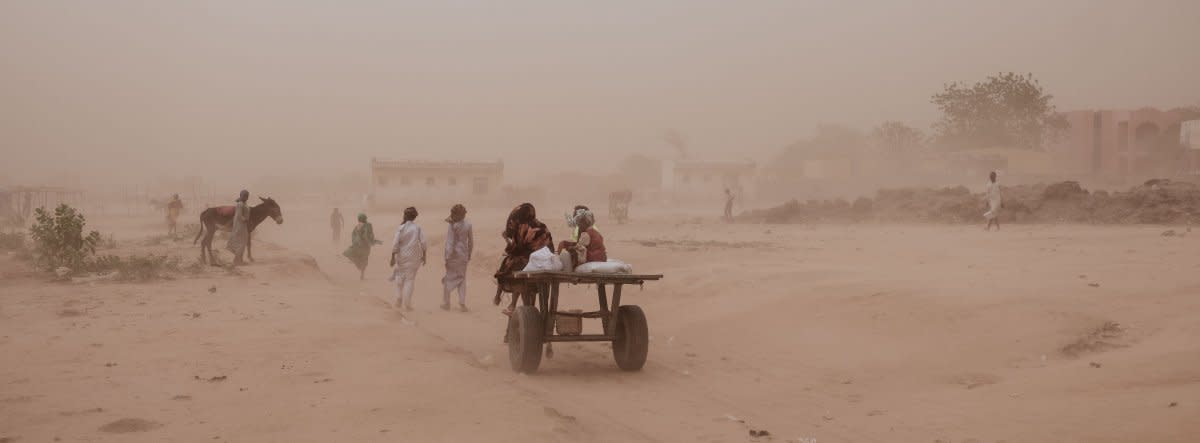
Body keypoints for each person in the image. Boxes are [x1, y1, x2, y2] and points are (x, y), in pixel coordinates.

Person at [493, 203, 554, 315]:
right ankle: (515, 305)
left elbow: (515, 249)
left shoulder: (523, 227)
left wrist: (506, 239)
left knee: (509, 263)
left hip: (531, 261)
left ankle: (503, 299)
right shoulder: (543, 226)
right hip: (547, 261)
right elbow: (550, 246)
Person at [390, 207, 427, 311]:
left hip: (401, 256)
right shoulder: (417, 228)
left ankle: (398, 297)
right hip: (414, 257)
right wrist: (425, 256)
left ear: (405, 215)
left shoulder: (400, 228)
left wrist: (392, 257)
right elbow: (423, 243)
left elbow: (395, 243)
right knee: (410, 279)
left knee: (399, 276)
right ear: (415, 217)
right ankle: (407, 303)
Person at [441, 204, 473, 312]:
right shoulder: (468, 225)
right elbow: (471, 242)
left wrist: (447, 256)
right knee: (462, 279)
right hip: (463, 255)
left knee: (449, 278)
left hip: (453, 255)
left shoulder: (452, 226)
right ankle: (462, 303)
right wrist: (469, 254)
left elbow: (449, 242)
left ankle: (446, 303)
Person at [342, 213, 381, 280]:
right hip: (364, 247)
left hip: (356, 246)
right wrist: (373, 242)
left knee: (358, 258)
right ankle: (362, 275)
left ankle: (359, 267)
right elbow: (367, 236)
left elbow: (353, 236)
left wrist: (355, 243)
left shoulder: (357, 226)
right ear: (365, 219)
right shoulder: (368, 225)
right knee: (364, 260)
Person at [226, 190, 250, 265]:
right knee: (241, 242)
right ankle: (237, 261)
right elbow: (239, 215)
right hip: (240, 225)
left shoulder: (243, 203)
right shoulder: (240, 204)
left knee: (243, 241)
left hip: (243, 225)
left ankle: (238, 260)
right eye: (244, 195)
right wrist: (245, 219)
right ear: (241, 196)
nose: (246, 197)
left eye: (247, 196)